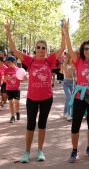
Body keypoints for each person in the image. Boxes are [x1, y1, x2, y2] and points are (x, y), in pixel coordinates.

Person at [5, 19, 65, 163]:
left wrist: (64, 31)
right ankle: (26, 152)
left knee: (42, 125)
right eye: (38, 47)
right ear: (35, 48)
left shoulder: (49, 60)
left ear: (46, 50)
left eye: (43, 47)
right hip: (32, 98)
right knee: (30, 125)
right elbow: (14, 49)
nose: (40, 49)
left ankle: (40, 151)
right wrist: (8, 31)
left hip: (47, 98)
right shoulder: (29, 60)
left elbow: (63, 47)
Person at [63, 19, 89, 163]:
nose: (88, 51)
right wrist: (67, 31)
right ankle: (74, 151)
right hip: (79, 96)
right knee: (75, 124)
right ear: (83, 50)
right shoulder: (79, 61)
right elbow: (69, 47)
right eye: (85, 49)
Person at [3, 56, 21, 123]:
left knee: (16, 101)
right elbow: (4, 80)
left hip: (16, 88)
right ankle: (12, 116)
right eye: (7, 62)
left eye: (9, 62)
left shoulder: (18, 70)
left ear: (14, 62)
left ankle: (18, 112)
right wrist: (6, 78)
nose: (8, 63)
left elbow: (22, 79)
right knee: (10, 102)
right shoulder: (6, 70)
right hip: (9, 88)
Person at [61, 53, 76, 121]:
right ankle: (69, 115)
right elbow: (68, 75)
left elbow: (75, 75)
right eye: (71, 58)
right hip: (66, 83)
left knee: (69, 98)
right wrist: (72, 68)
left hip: (72, 83)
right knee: (69, 97)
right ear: (69, 58)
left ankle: (65, 113)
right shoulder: (64, 65)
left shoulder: (74, 65)